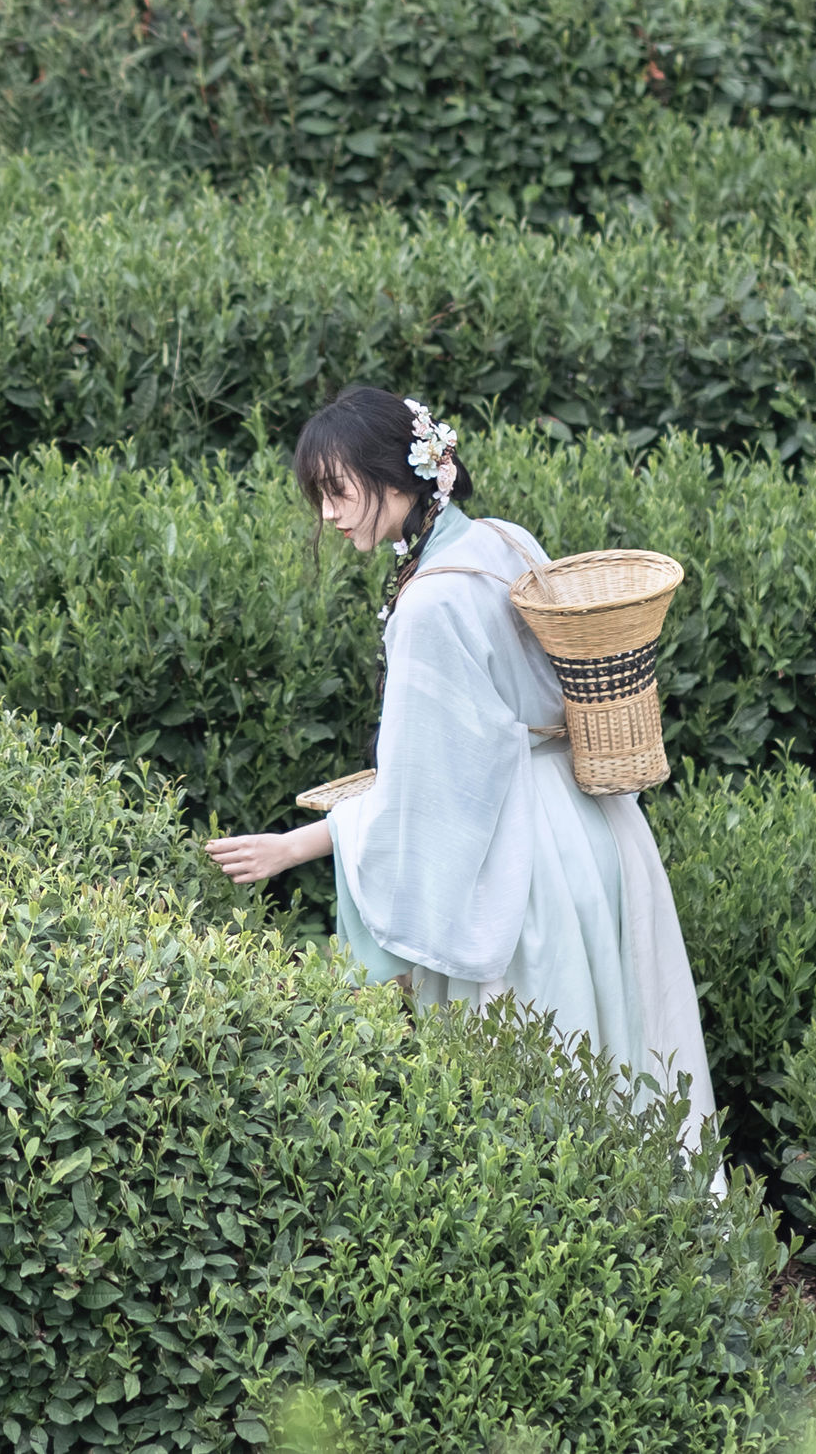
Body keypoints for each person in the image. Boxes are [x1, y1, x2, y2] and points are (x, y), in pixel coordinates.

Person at [204, 387, 719, 1156]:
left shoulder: (429, 607)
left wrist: (297, 845)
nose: (330, 515)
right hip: (595, 830)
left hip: (522, 862)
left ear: (400, 476)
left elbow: (432, 794)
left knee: (541, 1088)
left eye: (339, 490)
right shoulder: (503, 542)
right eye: (321, 495)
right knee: (621, 1045)